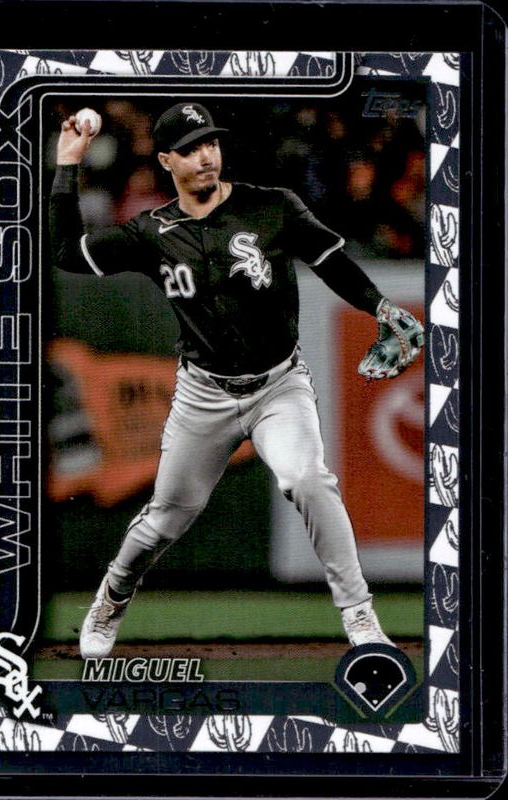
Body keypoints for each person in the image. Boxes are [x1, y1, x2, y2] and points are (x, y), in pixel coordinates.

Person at [49, 101, 422, 660]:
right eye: (190, 148)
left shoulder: (272, 206)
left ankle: (360, 617)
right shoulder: (151, 231)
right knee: (166, 518)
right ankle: (111, 599)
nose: (206, 155)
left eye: (211, 143)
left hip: (279, 387)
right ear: (166, 160)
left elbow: (331, 260)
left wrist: (380, 306)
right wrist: (67, 164)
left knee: (309, 480)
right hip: (203, 395)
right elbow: (67, 253)